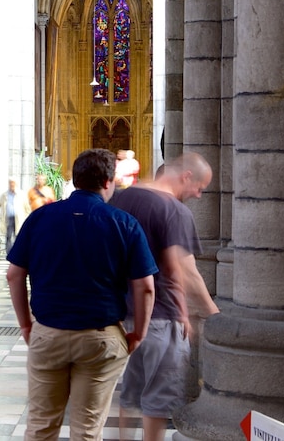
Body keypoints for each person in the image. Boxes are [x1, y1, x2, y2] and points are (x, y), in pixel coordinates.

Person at [7, 149, 157, 441]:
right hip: (100, 336)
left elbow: (14, 274)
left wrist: (26, 324)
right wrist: (138, 332)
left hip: (48, 332)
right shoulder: (124, 223)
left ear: (76, 180)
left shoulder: (40, 219)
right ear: (107, 181)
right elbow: (146, 286)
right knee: (87, 430)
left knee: (40, 426)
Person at [109, 152, 220, 441]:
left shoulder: (122, 199)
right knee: (157, 402)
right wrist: (212, 313)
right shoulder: (173, 210)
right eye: (199, 187)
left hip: (127, 318)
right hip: (162, 317)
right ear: (186, 177)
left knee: (130, 396)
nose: (197, 195)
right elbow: (183, 268)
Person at [0, 179, 27, 248]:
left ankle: (17, 251)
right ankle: (9, 252)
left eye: (13, 184)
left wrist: (25, 217)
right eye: (10, 184)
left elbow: (26, 207)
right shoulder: (5, 195)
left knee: (18, 235)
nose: (12, 185)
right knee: (8, 236)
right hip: (9, 217)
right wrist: (0, 215)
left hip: (18, 218)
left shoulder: (21, 194)